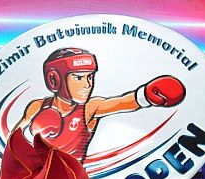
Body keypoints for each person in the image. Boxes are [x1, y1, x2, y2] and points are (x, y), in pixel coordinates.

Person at [13, 47, 186, 163]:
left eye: (90, 77)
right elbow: (11, 147)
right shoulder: (37, 107)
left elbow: (122, 102)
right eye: (78, 78)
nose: (87, 85)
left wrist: (146, 96)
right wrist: (31, 132)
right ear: (55, 79)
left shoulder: (89, 109)